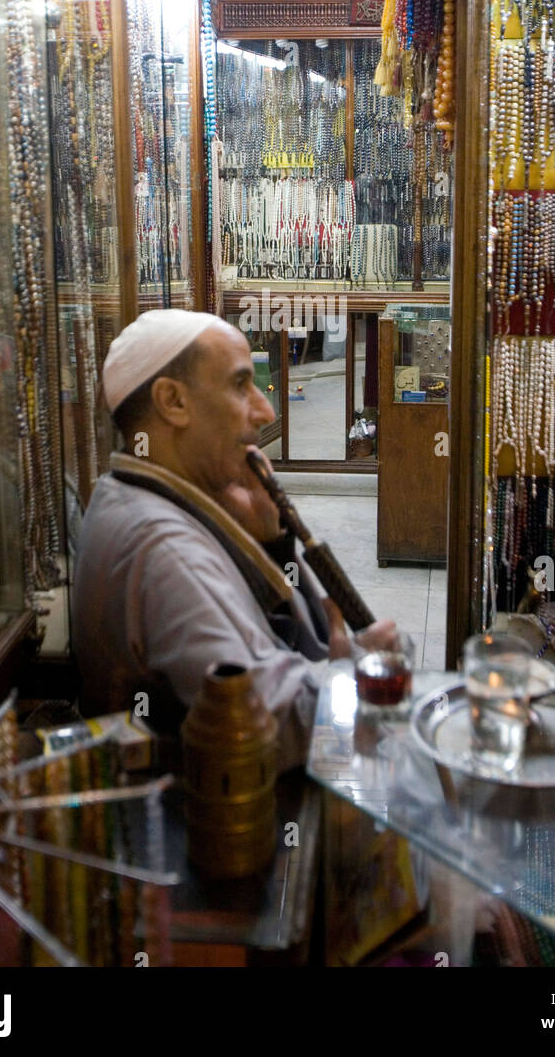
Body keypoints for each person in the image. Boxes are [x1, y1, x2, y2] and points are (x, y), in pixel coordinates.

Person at [72, 309, 396, 769]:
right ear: (173, 402)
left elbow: (275, 648)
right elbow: (273, 724)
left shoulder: (130, 495)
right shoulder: (162, 545)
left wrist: (272, 544)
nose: (266, 411)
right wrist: (364, 676)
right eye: (240, 385)